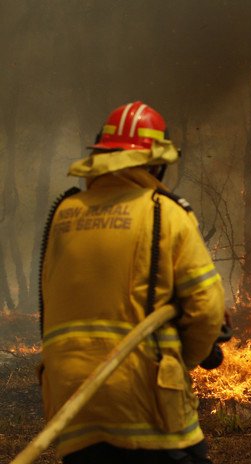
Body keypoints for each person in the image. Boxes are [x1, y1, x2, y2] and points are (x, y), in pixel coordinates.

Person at [39, 101, 226, 463]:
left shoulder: (64, 214)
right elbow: (207, 309)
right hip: (144, 400)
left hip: (70, 403)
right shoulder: (165, 211)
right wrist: (181, 360)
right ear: (155, 162)